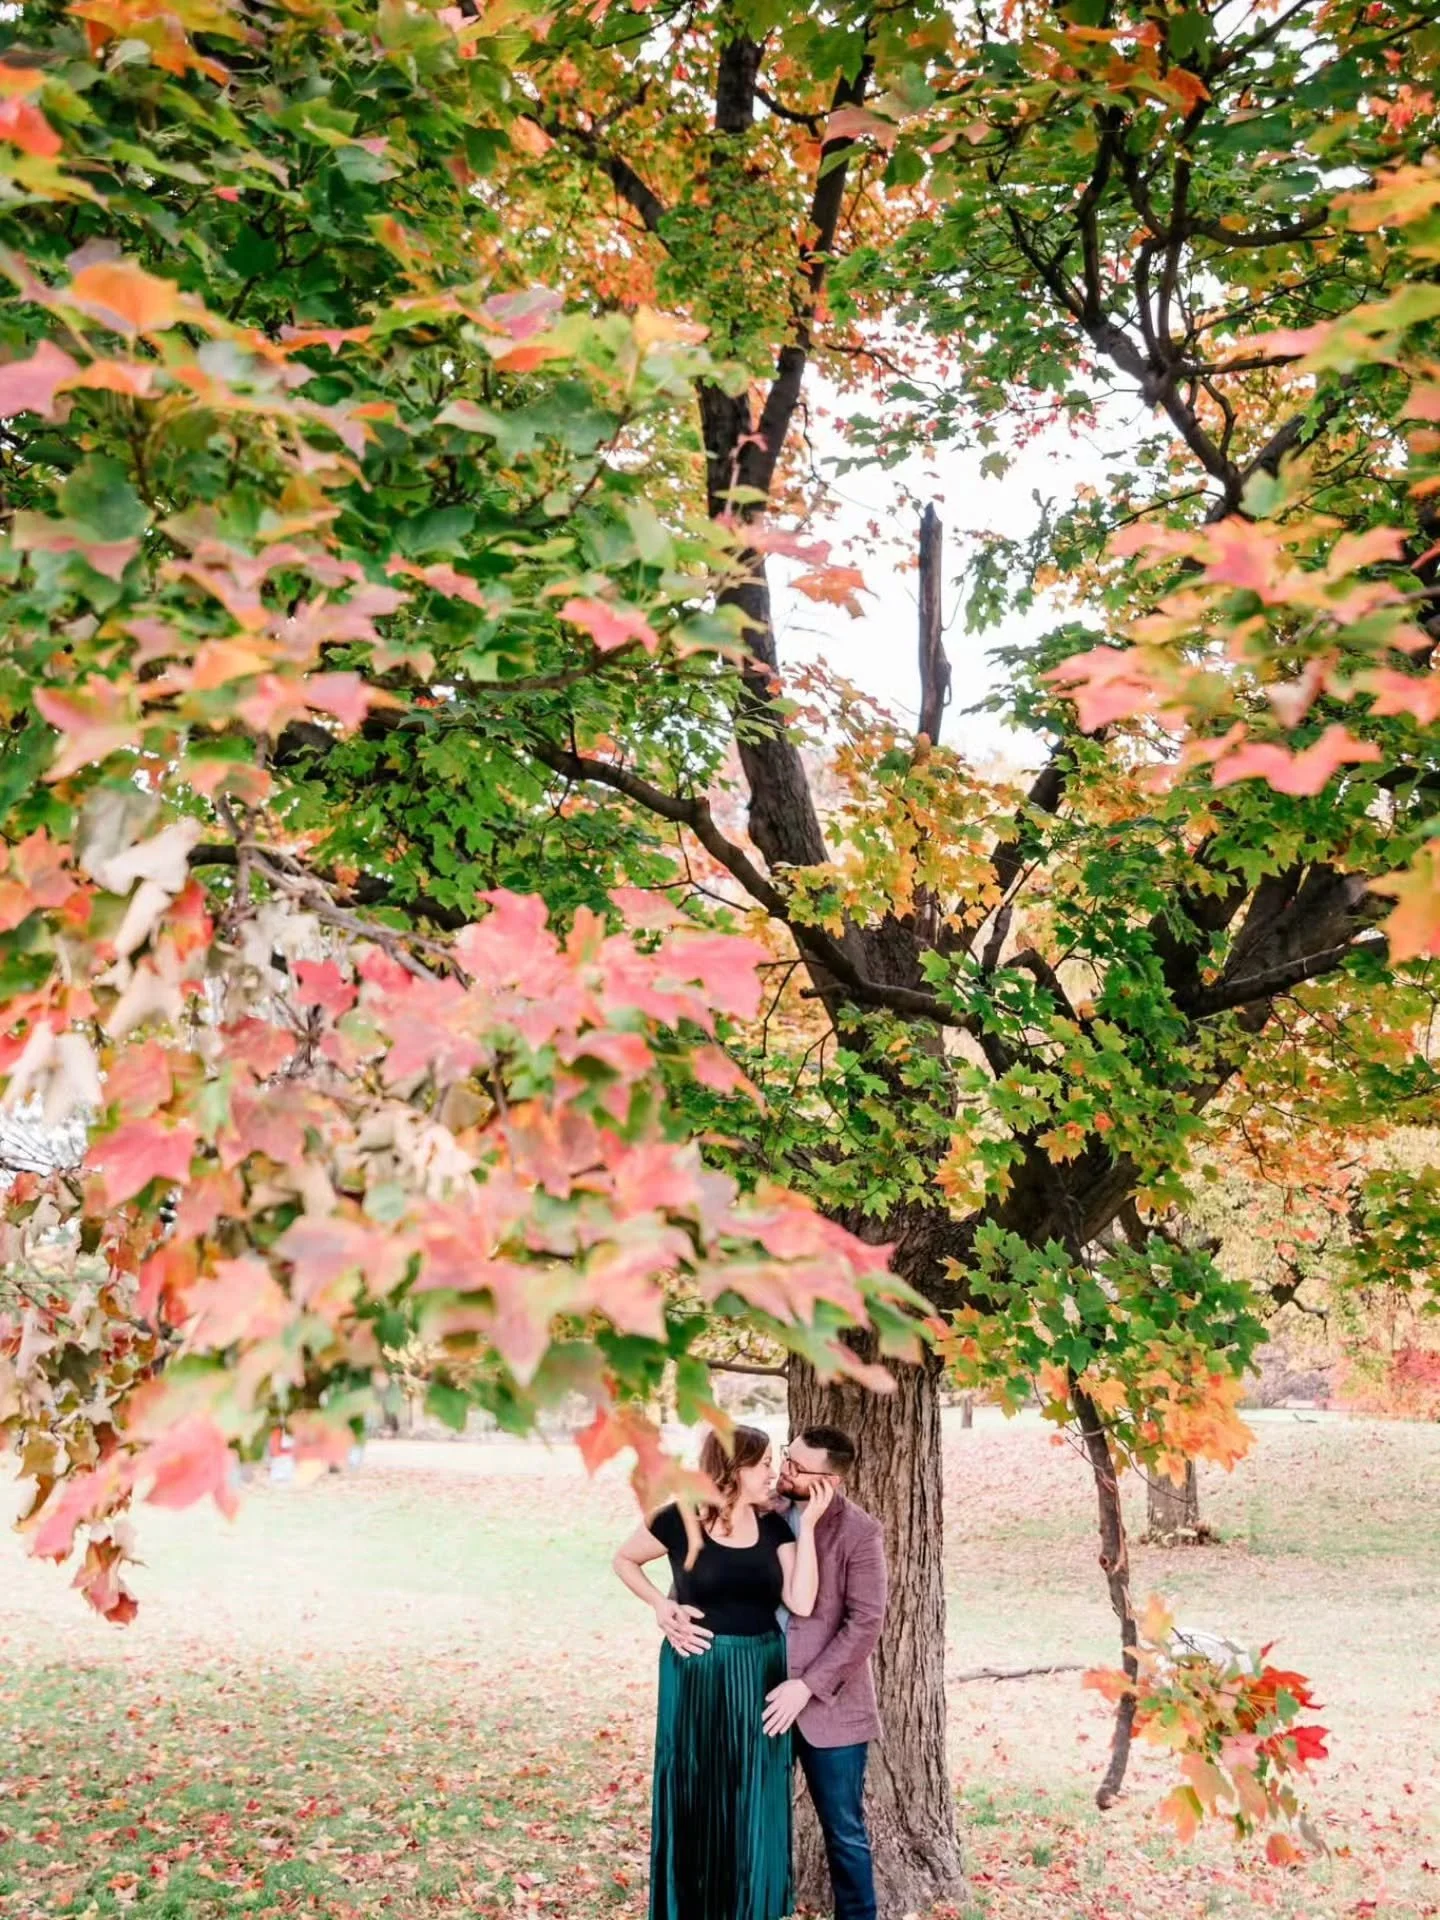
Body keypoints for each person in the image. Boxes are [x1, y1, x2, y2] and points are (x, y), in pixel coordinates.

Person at [613, 1424, 832, 1920]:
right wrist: (658, 1606)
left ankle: (750, 1907)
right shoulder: (678, 1519)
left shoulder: (776, 1526)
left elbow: (801, 1600)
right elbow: (624, 1560)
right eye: (763, 1464)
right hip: (695, 1674)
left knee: (754, 1793)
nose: (773, 1473)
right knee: (693, 1787)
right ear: (732, 1468)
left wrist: (811, 1528)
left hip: (760, 1673)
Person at [766, 1425, 887, 1920]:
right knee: (761, 1823)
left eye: (795, 1466)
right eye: (784, 1457)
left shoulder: (861, 1532)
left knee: (844, 1831)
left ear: (829, 1482)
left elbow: (866, 1623)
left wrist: (807, 1686)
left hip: (830, 1708)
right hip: (762, 1692)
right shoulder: (763, 1511)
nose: (782, 1470)